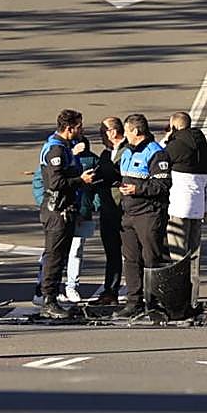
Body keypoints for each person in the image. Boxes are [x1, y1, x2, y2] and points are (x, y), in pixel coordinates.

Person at [37, 109, 95, 319]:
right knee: (54, 256)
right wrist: (82, 180)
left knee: (59, 257)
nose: (82, 130)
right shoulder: (57, 150)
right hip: (57, 211)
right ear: (69, 128)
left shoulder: (65, 147)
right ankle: (48, 301)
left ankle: (52, 297)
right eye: (79, 126)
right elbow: (56, 183)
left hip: (65, 209)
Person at [116, 113, 172, 319]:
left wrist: (137, 189)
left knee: (151, 257)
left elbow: (163, 185)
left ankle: (155, 303)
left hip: (149, 213)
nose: (125, 135)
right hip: (128, 213)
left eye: (127, 130)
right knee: (131, 258)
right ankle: (134, 301)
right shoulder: (127, 152)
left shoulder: (156, 153)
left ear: (136, 131)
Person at [163, 111, 207, 308]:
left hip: (177, 207)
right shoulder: (206, 148)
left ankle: (178, 300)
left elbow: (159, 162)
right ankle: (193, 299)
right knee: (194, 256)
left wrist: (166, 140)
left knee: (178, 256)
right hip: (198, 208)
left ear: (174, 126)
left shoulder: (174, 146)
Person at [91, 116, 126, 305]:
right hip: (108, 210)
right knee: (111, 253)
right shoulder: (105, 154)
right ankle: (110, 291)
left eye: (102, 132)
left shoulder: (128, 150)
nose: (100, 136)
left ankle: (139, 294)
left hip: (126, 210)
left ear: (112, 132)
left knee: (133, 254)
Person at [64, 136, 101, 303]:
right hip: (60, 212)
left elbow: (98, 187)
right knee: (55, 250)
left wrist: (93, 206)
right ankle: (50, 288)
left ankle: (71, 286)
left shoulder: (92, 159)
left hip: (82, 212)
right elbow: (41, 181)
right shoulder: (58, 153)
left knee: (76, 249)